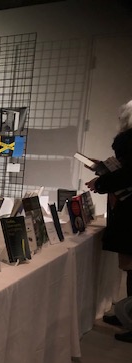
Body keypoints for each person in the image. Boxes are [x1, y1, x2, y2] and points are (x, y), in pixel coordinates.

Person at [85, 99, 132, 342]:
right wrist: (103, 168)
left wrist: (102, 181)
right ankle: (128, 315)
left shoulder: (129, 141)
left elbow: (128, 174)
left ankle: (130, 319)